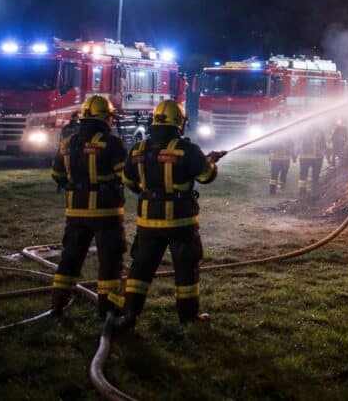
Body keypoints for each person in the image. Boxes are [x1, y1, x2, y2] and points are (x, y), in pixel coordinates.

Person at [119, 99, 225, 327]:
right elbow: (206, 177)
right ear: (179, 123)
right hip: (181, 223)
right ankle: (188, 317)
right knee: (186, 270)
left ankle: (129, 312)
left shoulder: (138, 149)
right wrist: (211, 163)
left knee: (141, 269)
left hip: (148, 222)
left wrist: (147, 192)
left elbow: (128, 180)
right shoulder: (187, 149)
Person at [49, 95, 128, 317]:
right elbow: (125, 175)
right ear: (105, 118)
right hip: (107, 213)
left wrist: (75, 186)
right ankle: (108, 306)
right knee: (110, 259)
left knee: (71, 257)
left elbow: (57, 174)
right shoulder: (112, 144)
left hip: (76, 212)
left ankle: (59, 300)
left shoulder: (67, 144)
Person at [297, 126, 327, 200]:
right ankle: (311, 192)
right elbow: (324, 145)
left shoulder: (303, 130)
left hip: (308, 157)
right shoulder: (320, 131)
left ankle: (305, 191)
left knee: (305, 175)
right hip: (315, 157)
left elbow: (323, 145)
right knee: (313, 176)